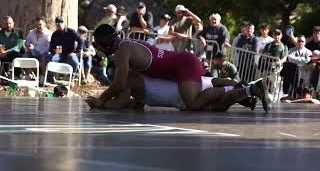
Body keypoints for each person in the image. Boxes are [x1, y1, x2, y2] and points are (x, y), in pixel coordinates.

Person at [86, 24, 270, 112]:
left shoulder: (121, 52)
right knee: (208, 101)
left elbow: (118, 85)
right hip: (180, 64)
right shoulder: (126, 44)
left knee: (193, 103)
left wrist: (100, 101)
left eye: (99, 46)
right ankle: (243, 91)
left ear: (106, 42)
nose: (99, 50)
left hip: (183, 65)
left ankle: (234, 88)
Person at [92, 71, 257, 112]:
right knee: (220, 106)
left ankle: (241, 90)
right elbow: (132, 104)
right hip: (181, 98)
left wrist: (99, 102)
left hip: (183, 95)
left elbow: (120, 103)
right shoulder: (136, 86)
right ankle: (246, 92)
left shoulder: (130, 78)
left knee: (215, 97)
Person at [24, 17, 52, 83]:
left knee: (44, 57)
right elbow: (27, 42)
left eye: (40, 24)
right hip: (32, 52)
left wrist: (40, 53)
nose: (38, 26)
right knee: (24, 55)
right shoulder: (31, 32)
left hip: (43, 53)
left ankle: (43, 77)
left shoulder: (48, 34)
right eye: (36, 25)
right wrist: (28, 45)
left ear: (44, 24)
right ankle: (28, 75)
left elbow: (48, 47)